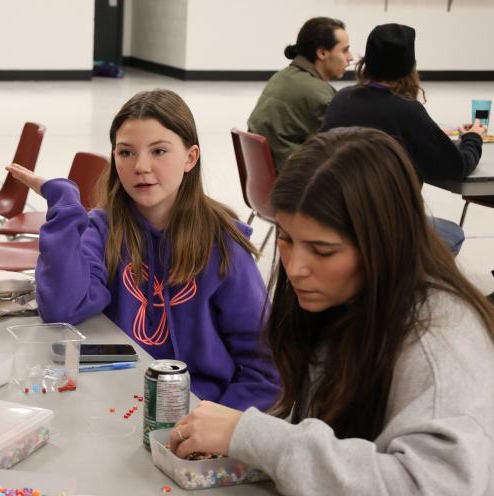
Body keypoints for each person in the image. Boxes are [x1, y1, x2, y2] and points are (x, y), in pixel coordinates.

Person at [169, 127, 494, 495]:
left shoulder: (440, 343)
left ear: (383, 244)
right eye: (287, 240)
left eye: (323, 250)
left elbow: (433, 486)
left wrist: (255, 435)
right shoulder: (342, 296)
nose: (295, 268)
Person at [6, 89, 280, 410]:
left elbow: (265, 369)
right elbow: (62, 309)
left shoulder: (223, 244)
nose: (141, 166)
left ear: (190, 157)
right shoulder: (105, 229)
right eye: (126, 153)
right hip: (114, 402)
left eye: (159, 151)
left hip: (198, 408)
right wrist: (65, 204)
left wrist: (216, 422)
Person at [320, 24, 486, 255]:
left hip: (336, 218)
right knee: (452, 234)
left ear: (366, 62)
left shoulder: (341, 99)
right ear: (410, 68)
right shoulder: (406, 110)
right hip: (385, 228)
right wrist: (472, 139)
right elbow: (455, 167)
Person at [247, 17, 353, 170]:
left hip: (268, 178)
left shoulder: (282, 76)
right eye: (344, 50)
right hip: (294, 183)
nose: (350, 57)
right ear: (322, 53)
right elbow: (347, 143)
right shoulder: (318, 93)